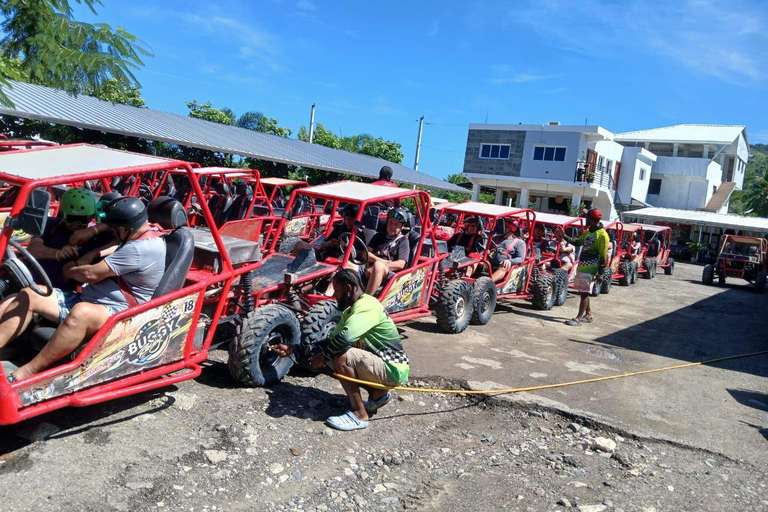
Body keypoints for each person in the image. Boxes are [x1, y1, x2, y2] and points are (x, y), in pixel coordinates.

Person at [0, 197, 166, 381]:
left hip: (120, 312)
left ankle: (26, 373)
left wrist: (70, 268)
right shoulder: (144, 234)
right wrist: (92, 249)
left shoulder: (139, 248)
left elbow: (89, 275)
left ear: (125, 229)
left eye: (115, 229)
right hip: (92, 299)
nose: (112, 232)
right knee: (30, 294)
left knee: (81, 312)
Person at [269, 269, 409, 431]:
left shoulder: (367, 306)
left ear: (348, 289)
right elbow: (329, 341)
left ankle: (359, 414)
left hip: (392, 368)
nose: (334, 295)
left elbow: (345, 339)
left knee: (340, 356)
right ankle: (378, 395)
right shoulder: (350, 311)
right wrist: (294, 349)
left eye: (336, 290)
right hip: (382, 366)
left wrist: (324, 355)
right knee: (327, 356)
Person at [28, 188, 115, 291]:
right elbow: (33, 248)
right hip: (33, 283)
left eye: (83, 219)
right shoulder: (51, 224)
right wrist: (57, 253)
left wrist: (94, 231)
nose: (77, 224)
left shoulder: (98, 236)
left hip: (63, 293)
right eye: (71, 218)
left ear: (91, 216)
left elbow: (126, 234)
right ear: (63, 215)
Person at [556, 208, 609, 326]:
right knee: (582, 291)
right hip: (583, 264)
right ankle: (588, 314)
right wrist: (564, 236)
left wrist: (601, 273)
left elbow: (603, 255)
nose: (585, 219)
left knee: (584, 292)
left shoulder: (603, 235)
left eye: (587, 217)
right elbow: (577, 242)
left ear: (591, 219)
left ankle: (578, 318)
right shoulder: (589, 231)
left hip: (592, 266)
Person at [347, 208, 410, 295]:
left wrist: (377, 266)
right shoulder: (378, 236)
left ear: (402, 227)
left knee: (378, 266)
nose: (392, 226)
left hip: (389, 275)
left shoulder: (403, 241)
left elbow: (400, 264)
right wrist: (381, 261)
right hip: (368, 268)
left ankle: (366, 300)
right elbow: (365, 254)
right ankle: (330, 295)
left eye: (396, 224)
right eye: (391, 222)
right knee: (347, 262)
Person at [291, 203, 358, 259]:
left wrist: (347, 248)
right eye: (346, 218)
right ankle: (289, 269)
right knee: (299, 244)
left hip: (344, 261)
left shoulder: (360, 233)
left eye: (351, 219)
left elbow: (364, 254)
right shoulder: (339, 228)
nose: (348, 221)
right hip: (326, 255)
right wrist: (329, 243)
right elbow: (322, 244)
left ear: (356, 219)